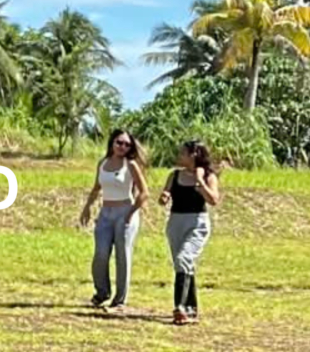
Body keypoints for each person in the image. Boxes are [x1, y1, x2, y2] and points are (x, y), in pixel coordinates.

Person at [78, 126, 148, 313]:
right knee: (101, 254)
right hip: (105, 213)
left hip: (125, 212)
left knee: (122, 256)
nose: (122, 147)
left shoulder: (130, 165)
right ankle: (102, 292)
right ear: (112, 143)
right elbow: (96, 188)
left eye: (127, 144)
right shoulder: (103, 163)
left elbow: (144, 193)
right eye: (119, 143)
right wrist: (87, 207)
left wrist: (131, 213)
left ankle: (119, 300)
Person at [158, 139, 220, 324]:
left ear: (194, 154)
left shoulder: (208, 176)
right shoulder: (174, 175)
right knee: (183, 265)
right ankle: (191, 309)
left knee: (183, 259)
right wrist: (164, 197)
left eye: (183, 153)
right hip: (176, 223)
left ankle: (180, 307)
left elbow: (213, 200)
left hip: (197, 223)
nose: (179, 156)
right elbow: (164, 195)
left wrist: (200, 182)